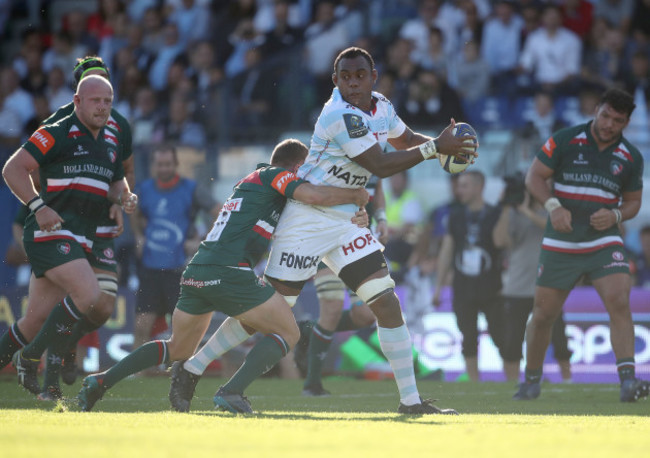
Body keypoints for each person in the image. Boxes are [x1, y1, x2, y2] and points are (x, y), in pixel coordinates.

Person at [76, 139, 370, 412]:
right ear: (295, 168)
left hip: (198, 270)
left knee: (179, 347)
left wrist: (350, 215)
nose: (308, 175)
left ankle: (102, 380)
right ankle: (231, 391)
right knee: (288, 332)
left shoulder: (255, 185)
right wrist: (355, 195)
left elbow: (307, 213)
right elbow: (314, 194)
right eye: (304, 169)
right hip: (228, 272)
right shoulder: (274, 176)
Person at [263, 46, 473, 414]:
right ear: (336, 81)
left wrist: (443, 148)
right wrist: (438, 148)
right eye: (346, 77)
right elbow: (380, 165)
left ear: (374, 77)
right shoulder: (340, 115)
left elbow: (405, 141)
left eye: (361, 75)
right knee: (271, 312)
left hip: (345, 222)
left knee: (386, 304)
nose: (354, 82)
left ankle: (410, 401)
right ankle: (196, 367)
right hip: (309, 218)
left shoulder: (381, 106)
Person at [2, 75, 137, 397]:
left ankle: (26, 353)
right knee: (89, 295)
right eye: (95, 100)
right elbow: (12, 169)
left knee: (33, 321)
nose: (103, 107)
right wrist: (38, 206)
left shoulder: (111, 140)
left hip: (82, 238)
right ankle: (31, 358)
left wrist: (124, 198)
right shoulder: (56, 131)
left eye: (108, 101)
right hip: (51, 231)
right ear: (77, 102)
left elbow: (116, 182)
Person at [514, 88, 650, 402]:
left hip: (603, 240)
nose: (608, 124)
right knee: (543, 314)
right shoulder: (565, 139)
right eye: (605, 115)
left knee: (619, 300)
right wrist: (553, 207)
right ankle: (531, 380)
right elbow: (534, 177)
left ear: (626, 123)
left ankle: (628, 382)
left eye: (617, 120)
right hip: (561, 241)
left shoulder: (631, 157)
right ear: (596, 111)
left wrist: (615, 213)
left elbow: (632, 203)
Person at [131, 145, 218, 358]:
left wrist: (202, 241)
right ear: (153, 166)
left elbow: (219, 212)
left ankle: (184, 373)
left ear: (176, 165)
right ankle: (134, 377)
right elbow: (133, 210)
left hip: (179, 270)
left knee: (182, 330)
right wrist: (138, 236)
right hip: (150, 268)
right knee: (141, 327)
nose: (164, 168)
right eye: (160, 164)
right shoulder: (144, 189)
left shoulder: (191, 188)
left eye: (168, 164)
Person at [492, 174, 572, 383]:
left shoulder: (557, 210)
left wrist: (526, 211)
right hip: (517, 287)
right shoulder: (514, 214)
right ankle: (511, 384)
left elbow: (553, 227)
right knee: (512, 342)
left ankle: (568, 382)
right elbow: (500, 240)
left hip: (548, 286)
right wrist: (507, 207)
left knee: (559, 339)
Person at [432, 170, 505, 382]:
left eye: (464, 186)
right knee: (468, 336)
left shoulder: (496, 214)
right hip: (463, 287)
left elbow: (504, 245)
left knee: (501, 336)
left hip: (492, 286)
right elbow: (447, 251)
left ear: (479, 187)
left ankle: (510, 378)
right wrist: (438, 288)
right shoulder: (454, 216)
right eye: (458, 185)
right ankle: (475, 383)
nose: (459, 190)